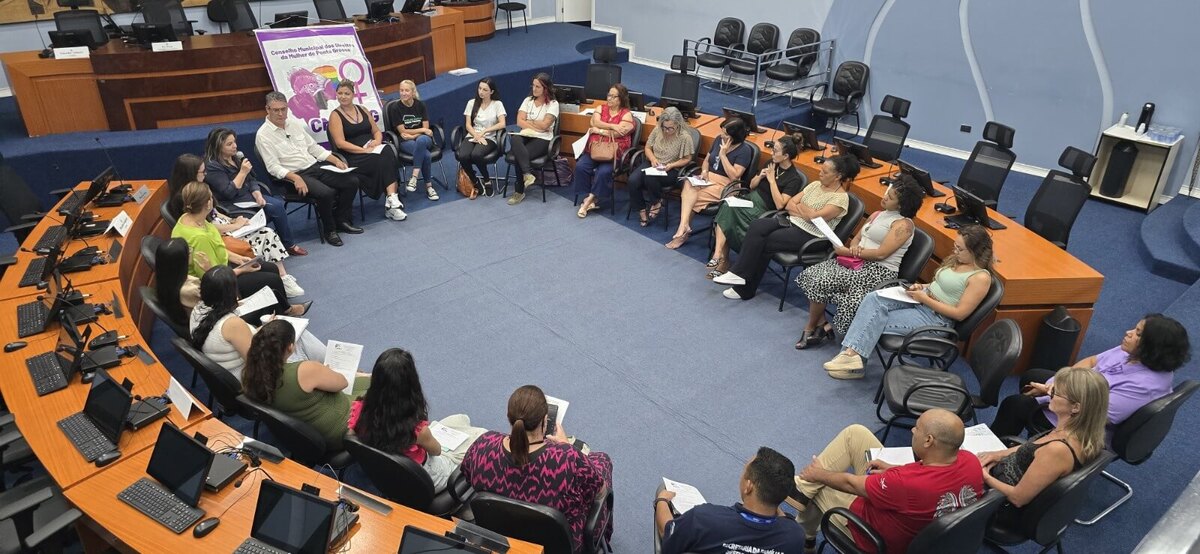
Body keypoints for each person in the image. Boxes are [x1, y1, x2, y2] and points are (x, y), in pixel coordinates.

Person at [790, 409, 985, 554]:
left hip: (870, 533)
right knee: (855, 434)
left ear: (928, 441)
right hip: (915, 521)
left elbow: (850, 484)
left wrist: (817, 473)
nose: (912, 430)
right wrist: (892, 469)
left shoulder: (904, 484)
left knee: (821, 483)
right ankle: (801, 490)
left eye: (917, 427)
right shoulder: (971, 462)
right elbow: (924, 475)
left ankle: (806, 535)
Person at [822, 224, 995, 379]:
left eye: (960, 249)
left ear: (975, 252)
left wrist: (925, 298)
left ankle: (851, 358)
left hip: (936, 320)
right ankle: (852, 358)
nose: (955, 251)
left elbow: (959, 314)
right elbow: (942, 285)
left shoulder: (980, 278)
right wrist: (923, 287)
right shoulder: (957, 261)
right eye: (955, 246)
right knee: (873, 298)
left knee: (874, 317)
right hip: (921, 302)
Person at [460, 385, 613, 553]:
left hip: (502, 535)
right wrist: (566, 447)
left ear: (508, 417)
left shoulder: (484, 445)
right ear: (545, 420)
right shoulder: (567, 458)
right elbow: (599, 492)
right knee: (602, 460)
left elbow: (467, 474)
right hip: (562, 545)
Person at [990, 314, 1190, 438]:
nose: (1128, 332)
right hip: (1077, 393)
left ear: (1151, 347)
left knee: (1015, 405)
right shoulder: (1131, 352)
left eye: (1137, 333)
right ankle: (1029, 437)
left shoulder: (1144, 386)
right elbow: (1092, 361)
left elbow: (1094, 415)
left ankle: (991, 454)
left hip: (1084, 424)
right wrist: (1061, 382)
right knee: (1032, 376)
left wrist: (1053, 392)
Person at [795, 176, 924, 349]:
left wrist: (848, 251)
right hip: (856, 261)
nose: (884, 197)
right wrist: (854, 248)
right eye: (887, 193)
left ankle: (810, 328)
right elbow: (857, 238)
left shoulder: (904, 225)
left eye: (890, 197)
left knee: (821, 281)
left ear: (901, 205)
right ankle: (822, 325)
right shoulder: (878, 214)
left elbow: (881, 254)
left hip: (877, 271)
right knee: (811, 275)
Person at [712, 154, 858, 301]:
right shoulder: (814, 185)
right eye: (821, 169)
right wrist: (805, 212)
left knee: (765, 242)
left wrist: (801, 208)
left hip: (812, 236)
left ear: (838, 176)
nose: (820, 173)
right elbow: (789, 205)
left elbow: (814, 218)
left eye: (825, 172)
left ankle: (744, 286)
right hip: (792, 221)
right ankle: (739, 274)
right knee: (758, 225)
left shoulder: (840, 199)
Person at [980, 367, 1108, 525]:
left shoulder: (1057, 450)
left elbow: (1017, 498)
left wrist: (984, 475)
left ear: (1076, 407)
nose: (1049, 394)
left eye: (1056, 393)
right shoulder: (1075, 430)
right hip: (1000, 477)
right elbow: (1034, 447)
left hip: (1000, 505)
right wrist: (997, 454)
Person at [348, 348, 487, 492]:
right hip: (426, 477)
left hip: (384, 472)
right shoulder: (418, 430)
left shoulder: (359, 409)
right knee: (482, 437)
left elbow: (352, 437)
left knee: (460, 419)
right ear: (410, 383)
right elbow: (437, 451)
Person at [168, 154, 304, 298]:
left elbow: (213, 218)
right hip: (222, 269)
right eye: (202, 172)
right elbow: (214, 273)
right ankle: (281, 284)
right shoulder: (197, 230)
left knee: (266, 238)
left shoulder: (196, 209)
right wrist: (241, 267)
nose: (206, 174)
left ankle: (283, 277)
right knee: (266, 237)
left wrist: (232, 222)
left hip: (223, 239)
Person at [171, 181, 311, 321]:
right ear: (208, 204)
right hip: (217, 285)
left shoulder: (190, 218)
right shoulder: (199, 238)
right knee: (271, 279)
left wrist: (239, 259)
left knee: (271, 267)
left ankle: (281, 308)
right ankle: (284, 313)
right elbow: (213, 277)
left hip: (223, 267)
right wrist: (242, 270)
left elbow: (218, 247)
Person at [256, 91, 362, 247]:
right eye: (276, 110)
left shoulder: (294, 124)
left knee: (351, 181)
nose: (280, 113)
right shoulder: (263, 135)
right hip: (293, 176)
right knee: (326, 193)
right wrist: (295, 178)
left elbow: (313, 148)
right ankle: (330, 230)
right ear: (267, 109)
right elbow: (273, 167)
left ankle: (341, 220)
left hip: (314, 167)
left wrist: (334, 160)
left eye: (283, 109)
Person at [242, 320, 370, 449]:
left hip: (306, 433)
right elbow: (342, 383)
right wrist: (324, 371)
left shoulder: (249, 375)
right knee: (381, 384)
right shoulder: (304, 370)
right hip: (340, 428)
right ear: (290, 347)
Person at [655, 447, 806, 554]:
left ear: (748, 486)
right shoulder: (795, 536)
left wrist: (661, 500)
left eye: (744, 471)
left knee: (662, 488)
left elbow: (667, 532)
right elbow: (784, 519)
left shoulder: (704, 518)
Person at [189, 265, 327, 381]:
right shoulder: (231, 324)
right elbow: (258, 364)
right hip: (249, 377)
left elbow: (234, 343)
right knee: (295, 335)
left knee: (292, 332)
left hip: (231, 370)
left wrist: (263, 330)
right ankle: (330, 367)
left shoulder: (198, 309)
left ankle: (328, 367)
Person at [707, 135, 806, 277]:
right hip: (750, 199)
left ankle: (722, 259)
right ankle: (719, 256)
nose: (772, 152)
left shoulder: (794, 178)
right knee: (727, 206)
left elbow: (780, 204)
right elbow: (752, 186)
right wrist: (760, 177)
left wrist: (772, 181)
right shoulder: (771, 163)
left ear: (786, 156)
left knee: (728, 212)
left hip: (765, 210)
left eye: (775, 151)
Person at [202, 127, 305, 256]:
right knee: (257, 217)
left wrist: (257, 193)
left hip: (249, 196)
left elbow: (251, 179)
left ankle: (288, 244)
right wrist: (242, 172)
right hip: (231, 203)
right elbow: (228, 192)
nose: (235, 146)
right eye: (229, 144)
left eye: (234, 142)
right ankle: (261, 252)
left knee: (277, 206)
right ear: (217, 146)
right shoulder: (212, 166)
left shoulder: (236, 157)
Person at [665, 117, 755, 249]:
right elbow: (707, 160)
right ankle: (684, 226)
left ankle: (682, 232)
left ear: (734, 136)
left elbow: (735, 176)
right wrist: (705, 171)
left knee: (692, 199)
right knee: (688, 183)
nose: (722, 135)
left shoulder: (744, 150)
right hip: (709, 179)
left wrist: (723, 155)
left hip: (727, 186)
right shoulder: (719, 139)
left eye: (725, 133)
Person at [328, 79, 406, 220]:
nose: (343, 96)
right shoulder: (335, 115)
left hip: (372, 150)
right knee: (385, 157)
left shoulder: (362, 109)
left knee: (387, 150)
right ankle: (392, 202)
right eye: (340, 93)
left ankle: (391, 200)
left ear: (353, 95)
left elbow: (376, 131)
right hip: (352, 155)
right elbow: (340, 143)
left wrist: (376, 142)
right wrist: (363, 150)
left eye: (346, 93)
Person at [574, 83, 635, 218]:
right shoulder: (600, 108)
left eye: (614, 96)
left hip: (614, 153)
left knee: (604, 172)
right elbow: (595, 122)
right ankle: (591, 196)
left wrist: (599, 130)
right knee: (581, 166)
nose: (610, 99)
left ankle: (588, 202)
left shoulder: (627, 115)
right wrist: (612, 126)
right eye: (609, 95)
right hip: (595, 149)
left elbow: (619, 134)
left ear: (621, 99)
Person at [627, 106, 693, 226]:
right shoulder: (658, 130)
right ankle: (642, 211)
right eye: (664, 127)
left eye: (670, 128)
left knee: (650, 177)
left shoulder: (685, 137)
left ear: (678, 124)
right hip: (654, 163)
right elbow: (647, 147)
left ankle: (656, 202)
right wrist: (652, 159)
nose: (666, 130)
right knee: (632, 180)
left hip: (671, 168)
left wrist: (672, 165)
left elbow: (687, 159)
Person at [507, 72, 561, 206]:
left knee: (519, 154)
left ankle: (519, 191)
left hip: (543, 139)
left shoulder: (553, 104)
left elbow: (545, 126)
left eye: (538, 87)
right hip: (526, 134)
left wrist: (530, 121)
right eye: (533, 86)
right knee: (514, 139)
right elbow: (519, 121)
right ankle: (527, 174)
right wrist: (537, 124)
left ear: (546, 89)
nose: (534, 89)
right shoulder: (528, 101)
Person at [386, 79, 436, 204]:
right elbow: (402, 131)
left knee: (422, 141)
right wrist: (423, 131)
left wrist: (415, 135)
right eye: (401, 90)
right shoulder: (395, 108)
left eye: (406, 90)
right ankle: (429, 187)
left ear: (413, 92)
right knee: (426, 155)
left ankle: (414, 176)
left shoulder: (420, 105)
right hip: (405, 141)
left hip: (422, 139)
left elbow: (426, 126)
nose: (403, 93)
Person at [457, 77, 507, 196]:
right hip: (472, 135)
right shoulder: (471, 103)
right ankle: (475, 181)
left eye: (485, 89)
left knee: (476, 154)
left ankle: (487, 180)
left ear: (491, 92)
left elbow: (502, 123)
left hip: (489, 138)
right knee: (462, 156)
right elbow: (468, 125)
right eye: (480, 88)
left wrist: (485, 131)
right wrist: (477, 136)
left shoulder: (497, 104)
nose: (481, 92)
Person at [153, 237, 200, 327]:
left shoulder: (168, 280)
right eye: (188, 251)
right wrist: (209, 269)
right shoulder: (189, 290)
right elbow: (220, 302)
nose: (190, 252)